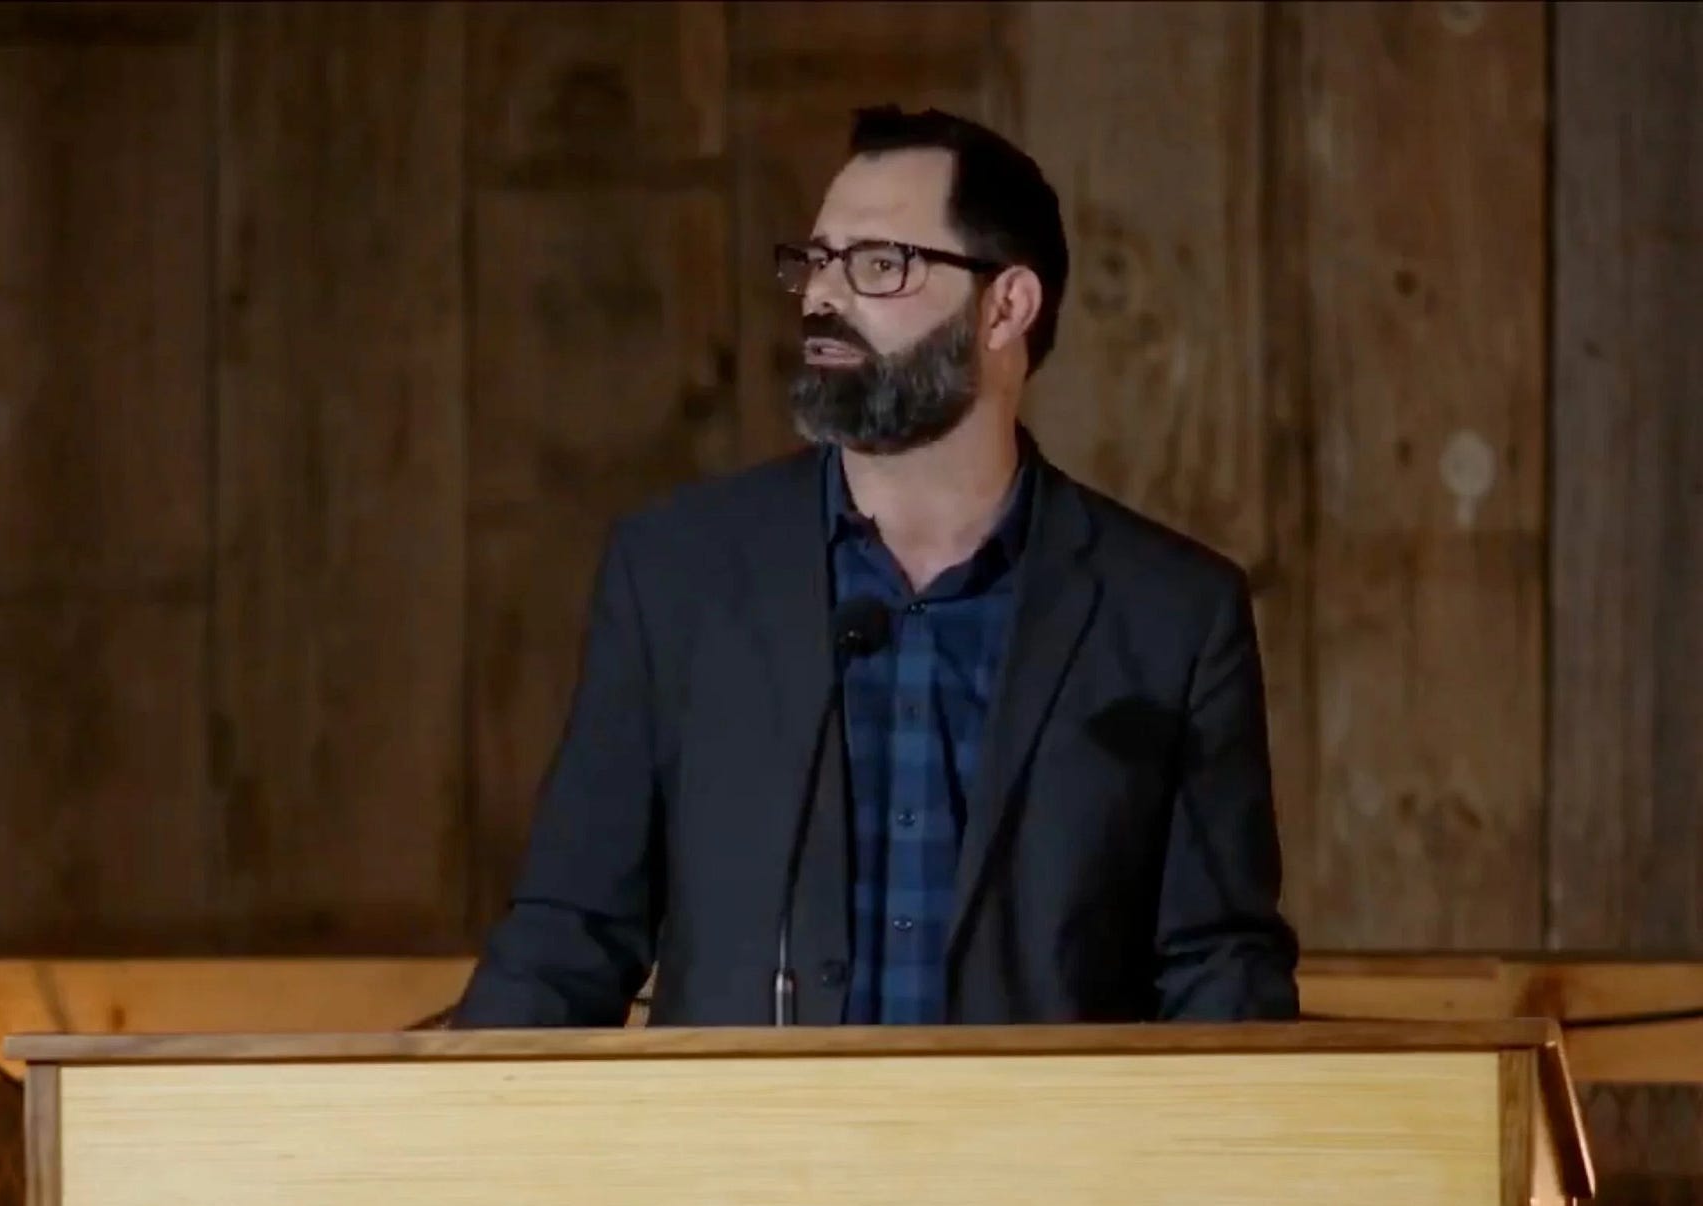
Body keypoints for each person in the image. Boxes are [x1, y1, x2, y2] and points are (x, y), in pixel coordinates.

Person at [451, 105, 1299, 1028]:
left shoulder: (1171, 615)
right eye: (817, 260)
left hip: (1037, 1127)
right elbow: (568, 934)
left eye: (879, 263)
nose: (823, 296)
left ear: (1006, 306)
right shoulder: (679, 575)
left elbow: (1219, 969)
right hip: (754, 1125)